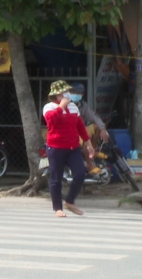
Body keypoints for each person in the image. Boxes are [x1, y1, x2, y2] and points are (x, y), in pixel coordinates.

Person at [43, 80, 95, 217]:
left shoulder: (73, 107)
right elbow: (51, 122)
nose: (68, 94)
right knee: (56, 178)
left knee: (80, 173)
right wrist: (61, 106)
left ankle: (70, 201)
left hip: (73, 147)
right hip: (56, 147)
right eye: (64, 92)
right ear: (57, 95)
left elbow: (80, 127)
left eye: (68, 91)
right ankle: (57, 208)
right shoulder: (49, 107)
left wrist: (88, 144)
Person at [69, 82, 109, 173]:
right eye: (73, 92)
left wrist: (102, 128)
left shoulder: (83, 105)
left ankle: (93, 150)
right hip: (71, 132)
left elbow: (94, 117)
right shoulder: (66, 104)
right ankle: (90, 164)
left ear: (82, 95)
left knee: (97, 127)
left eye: (78, 93)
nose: (75, 95)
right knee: (85, 143)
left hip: (81, 129)